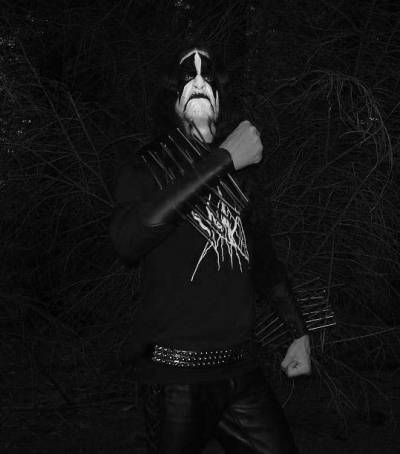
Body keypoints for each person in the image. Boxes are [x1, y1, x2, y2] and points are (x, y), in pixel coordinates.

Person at [110, 45, 311, 454]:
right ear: (171, 98)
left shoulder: (242, 175)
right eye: (188, 77)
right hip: (176, 378)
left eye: (207, 77)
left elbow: (264, 262)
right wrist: (222, 159)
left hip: (242, 371)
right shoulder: (147, 168)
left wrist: (298, 332)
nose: (199, 82)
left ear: (221, 99)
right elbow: (128, 242)